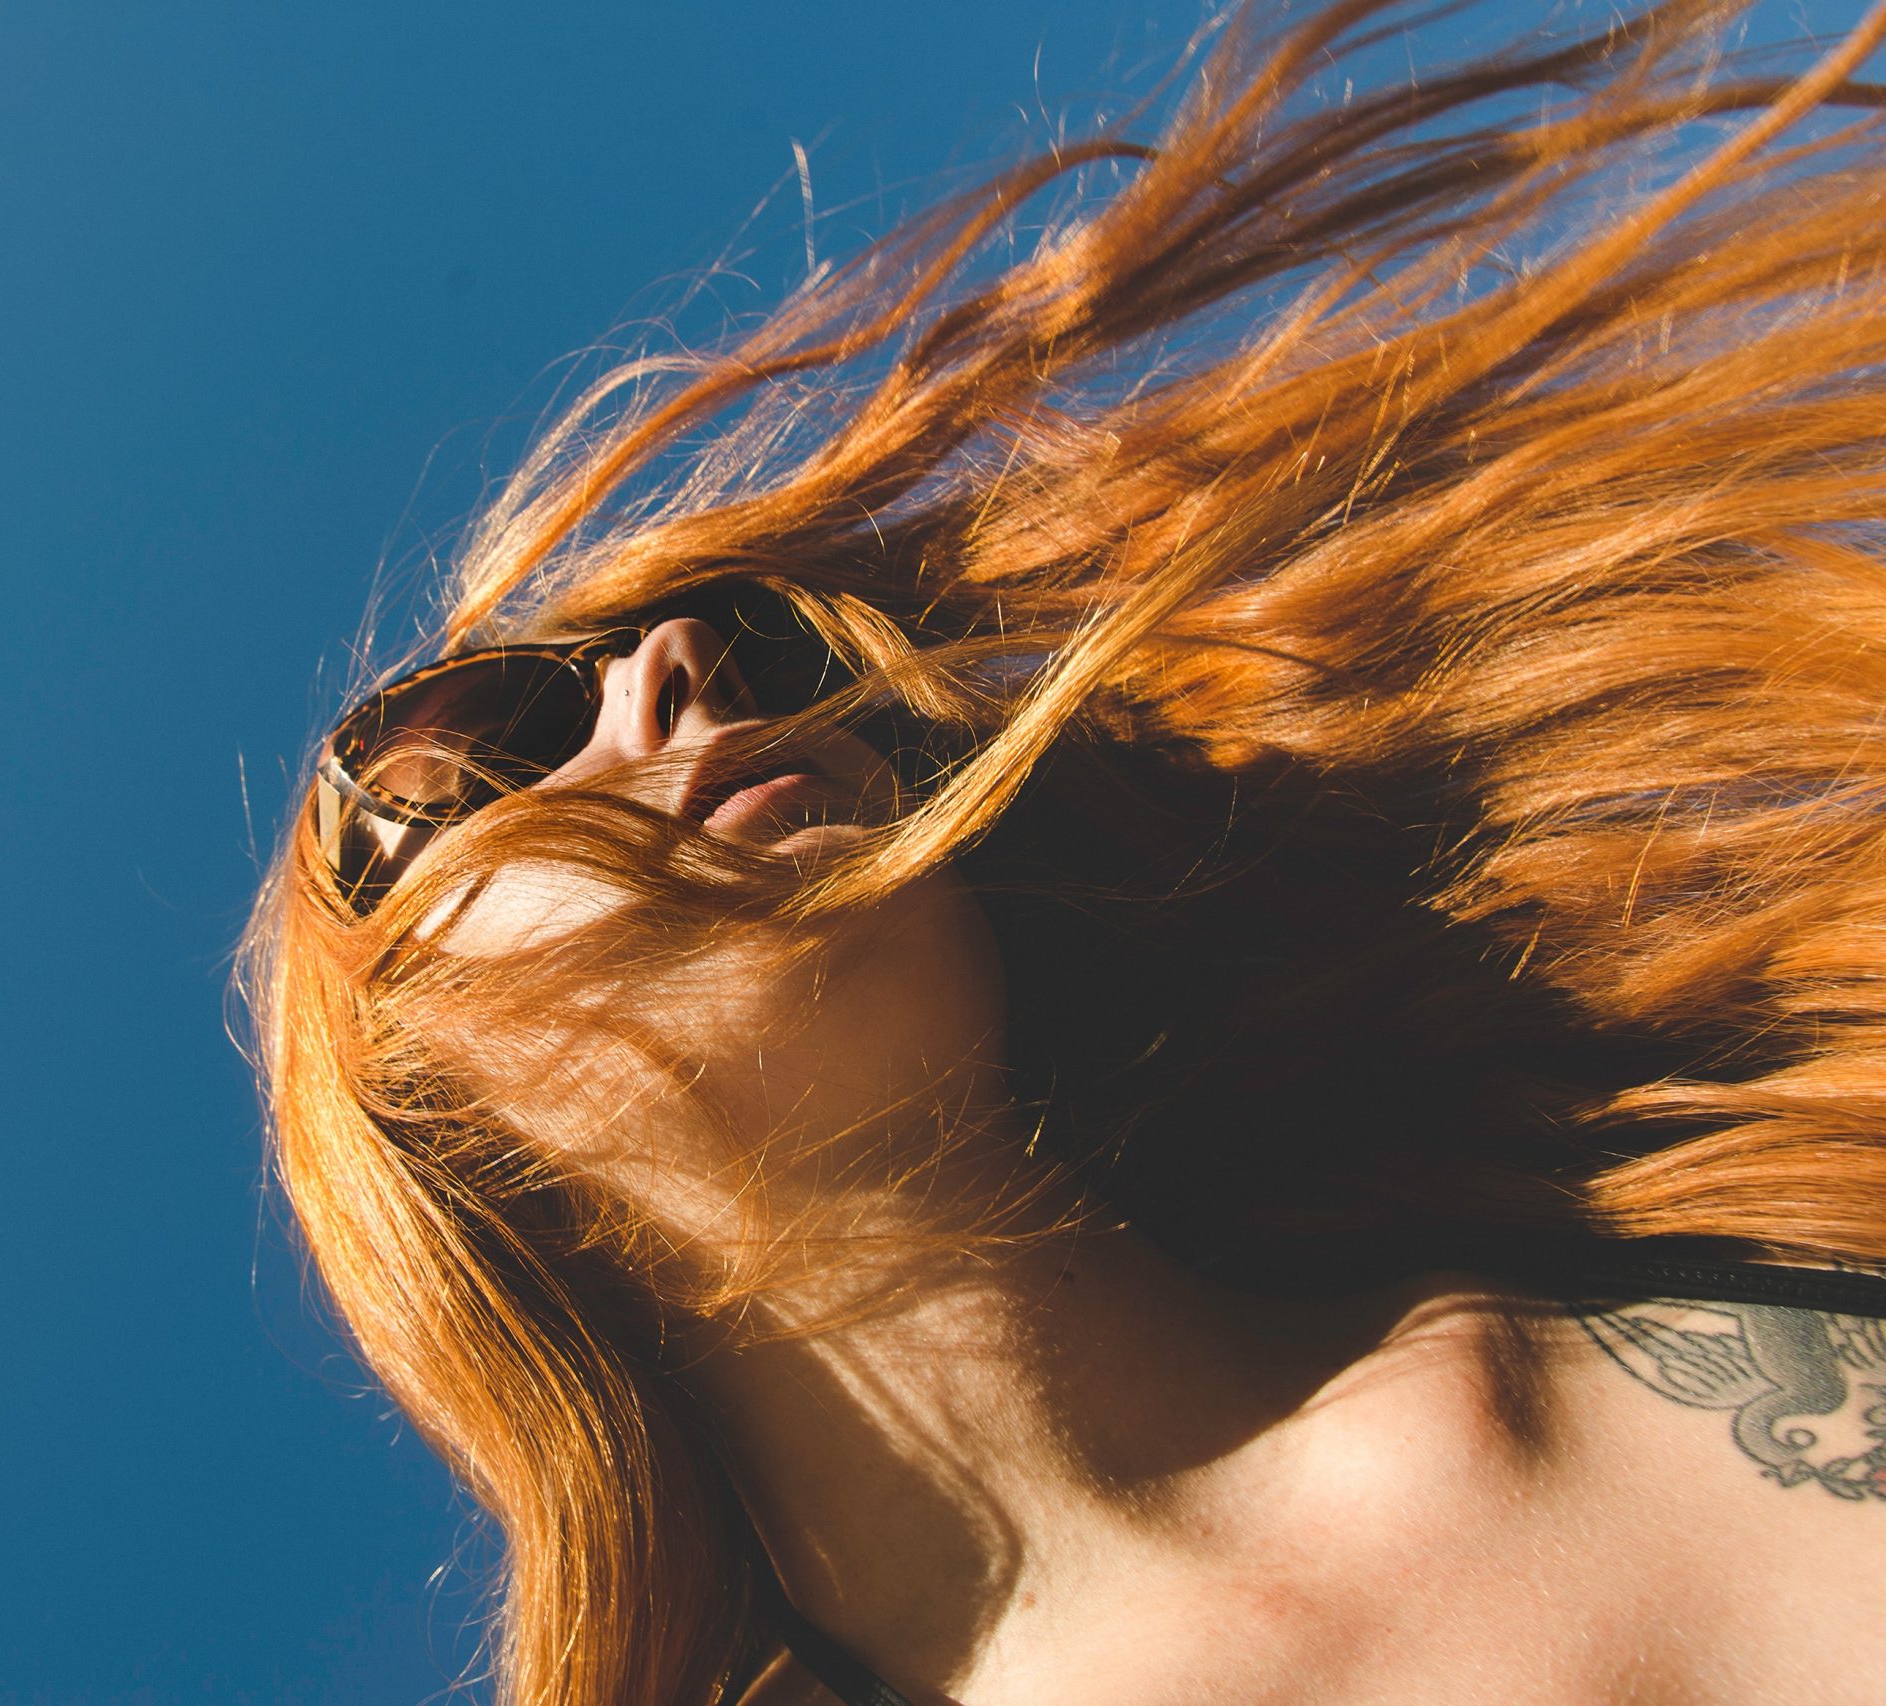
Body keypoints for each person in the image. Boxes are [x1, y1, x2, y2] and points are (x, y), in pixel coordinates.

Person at [242, 1, 1886, 1699]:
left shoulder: (1730, 1286)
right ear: (411, 1105)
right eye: (480, 745)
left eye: (767, 652)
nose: (675, 671)